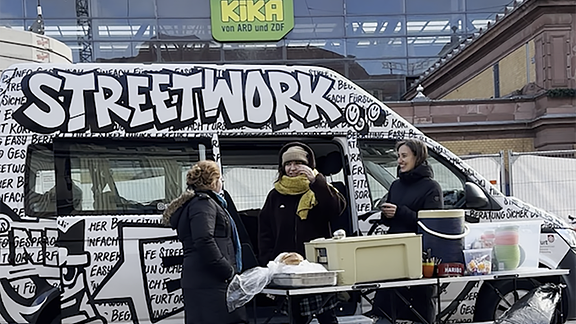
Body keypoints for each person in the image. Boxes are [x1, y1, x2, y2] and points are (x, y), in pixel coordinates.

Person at [258, 142, 346, 324]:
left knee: (327, 317)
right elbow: (265, 230)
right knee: (296, 318)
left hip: (317, 267)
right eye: (288, 164)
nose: (292, 168)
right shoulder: (275, 195)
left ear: (308, 165)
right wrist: (268, 259)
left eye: (297, 164)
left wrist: (317, 183)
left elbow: (335, 209)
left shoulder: (320, 188)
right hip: (288, 270)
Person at [162, 160, 247, 324]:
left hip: (202, 278)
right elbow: (203, 239)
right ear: (213, 181)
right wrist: (226, 270)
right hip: (211, 280)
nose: (222, 183)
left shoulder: (196, 203)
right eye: (220, 178)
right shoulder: (204, 204)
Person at [369, 138, 443, 324]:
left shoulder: (431, 187)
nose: (399, 160)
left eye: (404, 156)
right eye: (398, 156)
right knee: (388, 303)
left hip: (419, 255)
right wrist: (387, 214)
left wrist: (400, 212)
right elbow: (394, 217)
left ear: (417, 157)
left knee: (419, 307)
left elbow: (433, 223)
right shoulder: (396, 185)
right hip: (394, 251)